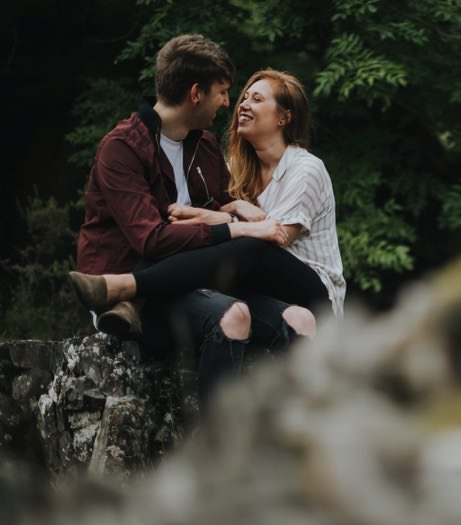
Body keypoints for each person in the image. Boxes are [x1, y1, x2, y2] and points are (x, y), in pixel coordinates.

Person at [70, 69, 346, 381]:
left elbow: (274, 237)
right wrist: (229, 211)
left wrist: (216, 218)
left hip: (309, 286)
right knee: (225, 255)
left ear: (284, 118)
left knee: (250, 245)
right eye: (243, 97)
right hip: (257, 284)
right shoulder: (235, 167)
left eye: (256, 99)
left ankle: (131, 288)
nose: (241, 104)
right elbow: (220, 219)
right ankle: (132, 297)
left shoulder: (305, 169)